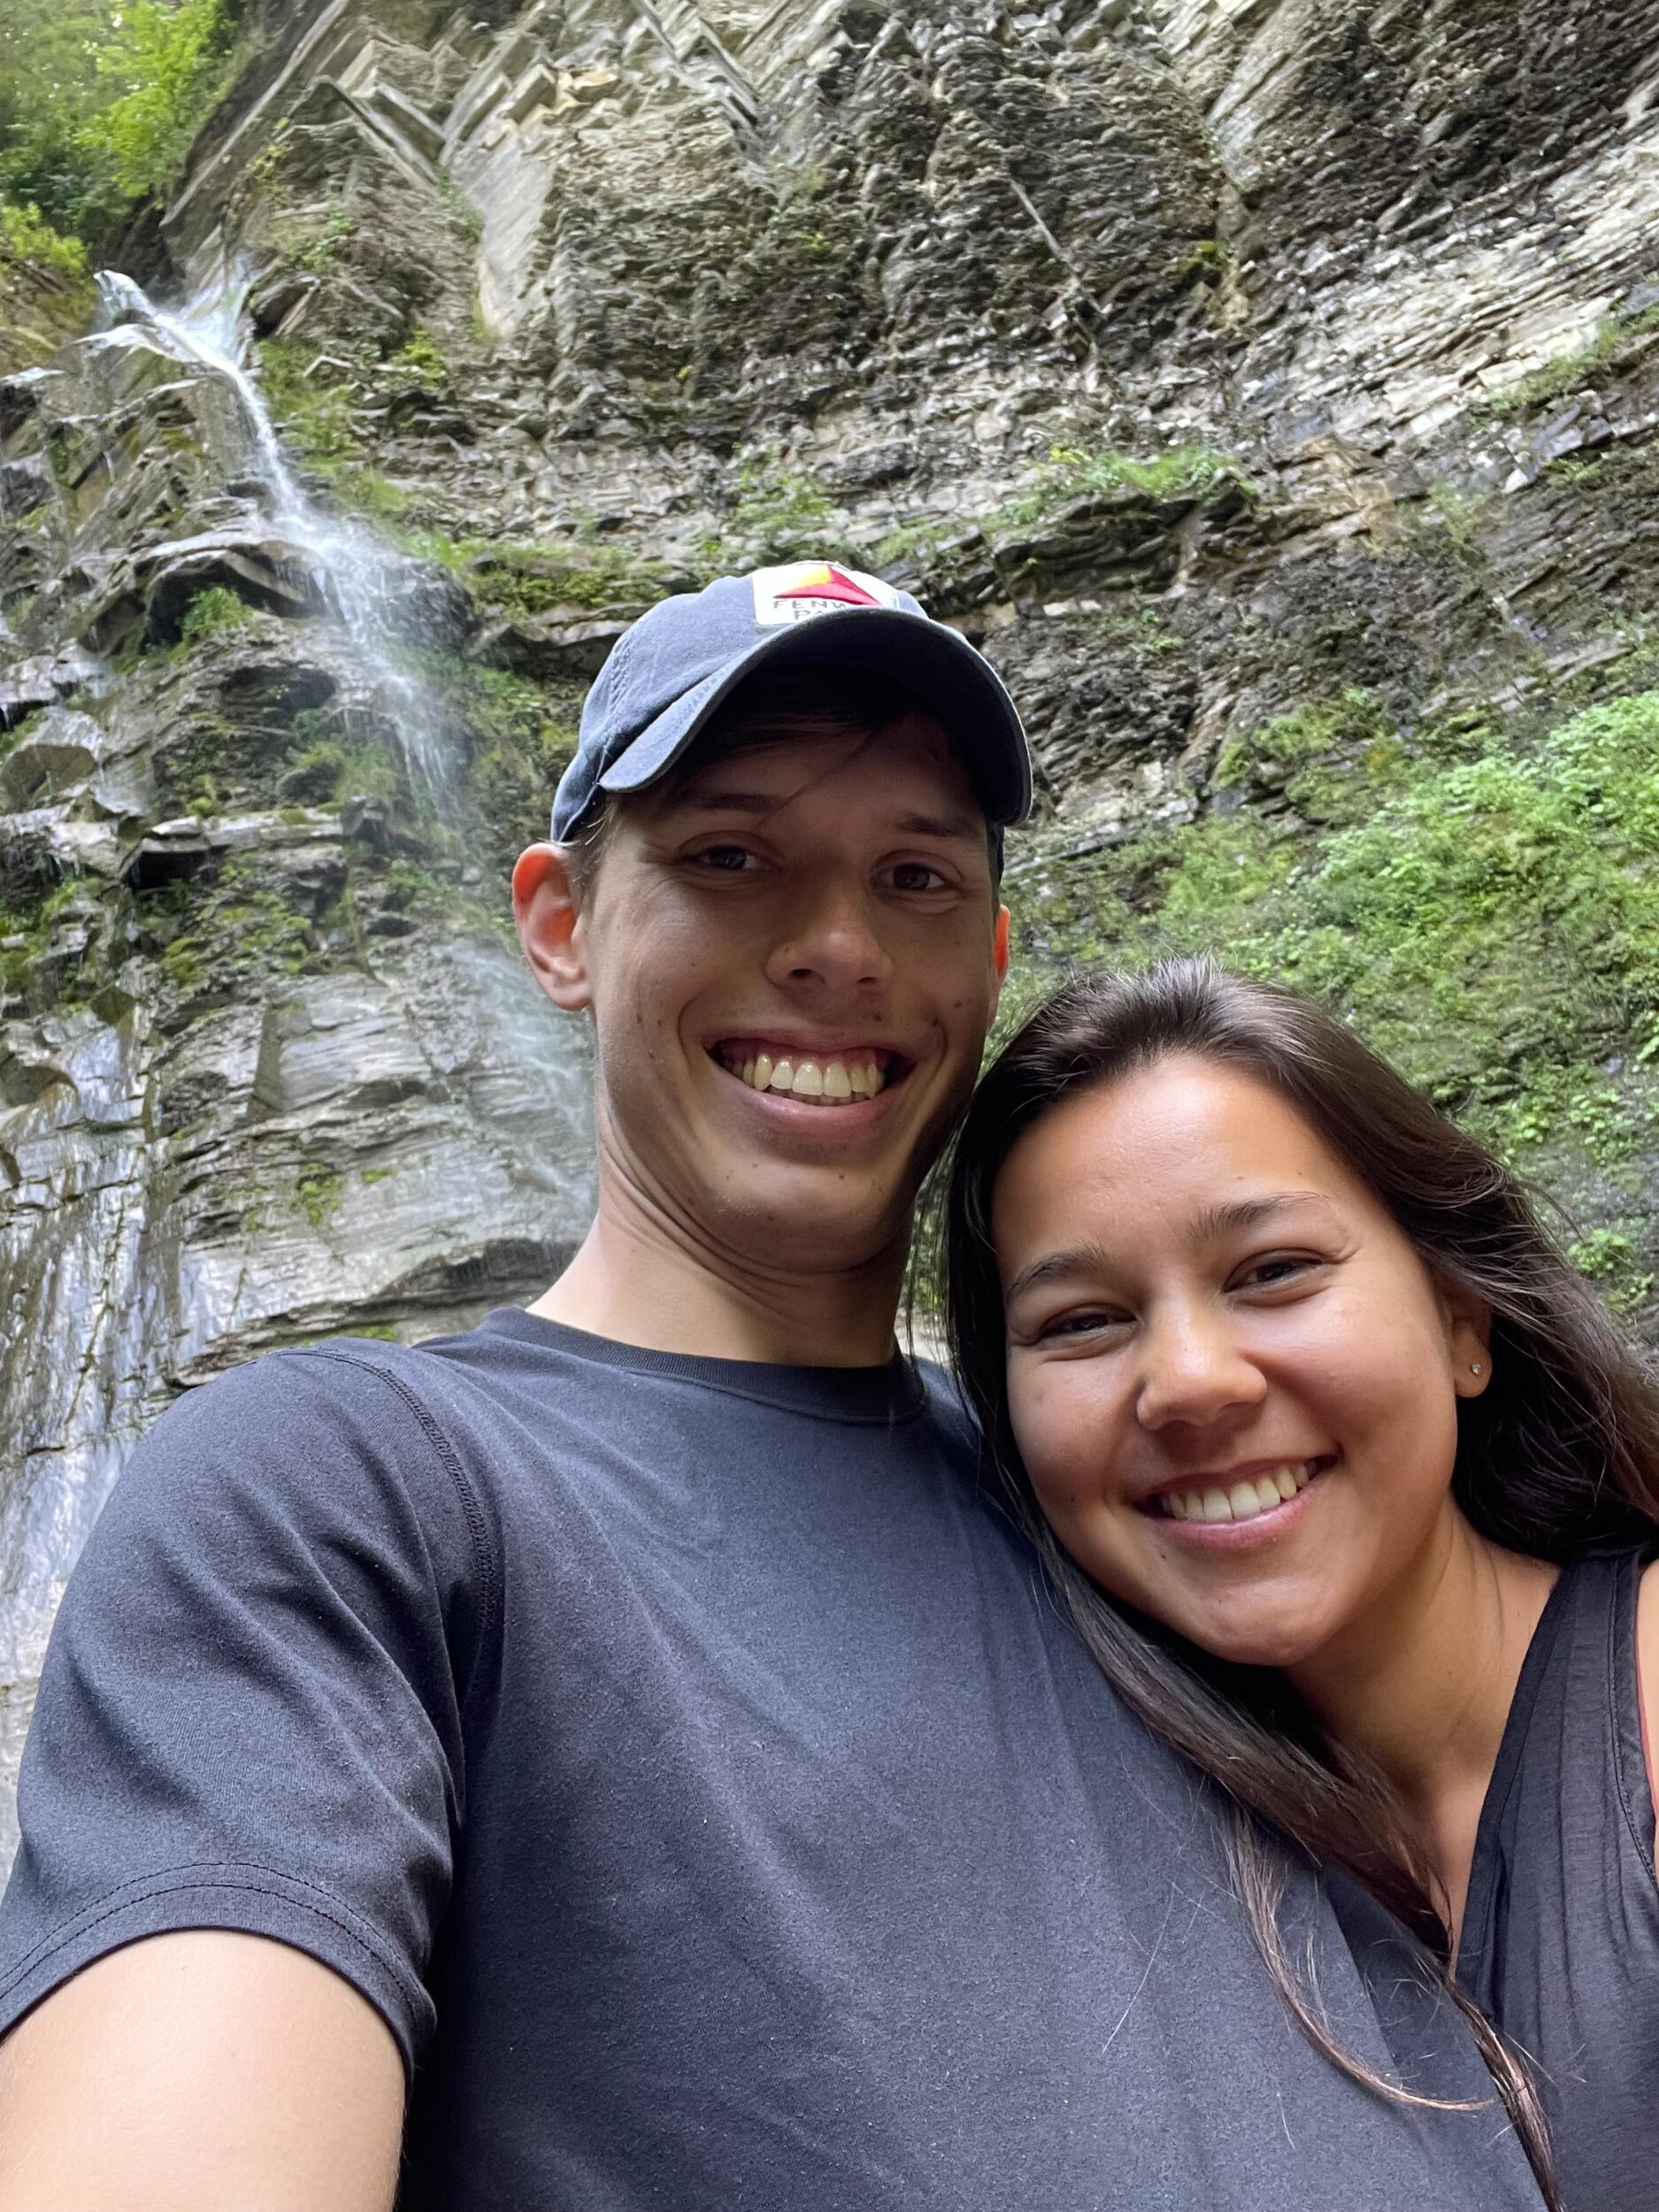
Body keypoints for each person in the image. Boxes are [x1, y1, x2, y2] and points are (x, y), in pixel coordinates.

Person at [0, 571, 1544, 2211]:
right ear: (560, 925)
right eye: (730, 859)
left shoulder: (1123, 1484)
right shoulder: (347, 1486)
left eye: (916, 876)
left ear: (992, 955)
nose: (836, 949)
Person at [943, 955, 1659, 2212]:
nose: (1189, 1383)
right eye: (1082, 1321)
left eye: (1272, 1270)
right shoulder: (1103, 1851)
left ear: (1462, 1321)